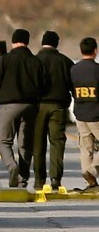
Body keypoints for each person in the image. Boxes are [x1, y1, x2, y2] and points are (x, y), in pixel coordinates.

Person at [0, 28, 47, 188]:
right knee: (25, 144)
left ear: (13, 41)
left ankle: (12, 166)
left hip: (9, 106)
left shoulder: (4, 60)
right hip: (30, 107)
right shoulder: (36, 62)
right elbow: (44, 86)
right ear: (27, 41)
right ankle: (23, 178)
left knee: (3, 140)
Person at [33, 30, 74, 191]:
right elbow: (73, 86)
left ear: (43, 42)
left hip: (38, 107)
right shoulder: (66, 62)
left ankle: (39, 180)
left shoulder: (34, 61)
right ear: (57, 43)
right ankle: (55, 179)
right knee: (57, 143)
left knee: (38, 144)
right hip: (58, 106)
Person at [70, 37, 99, 190]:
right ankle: (92, 171)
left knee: (85, 148)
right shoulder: (97, 70)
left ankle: (89, 178)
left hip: (81, 114)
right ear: (95, 51)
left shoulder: (74, 69)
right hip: (96, 114)